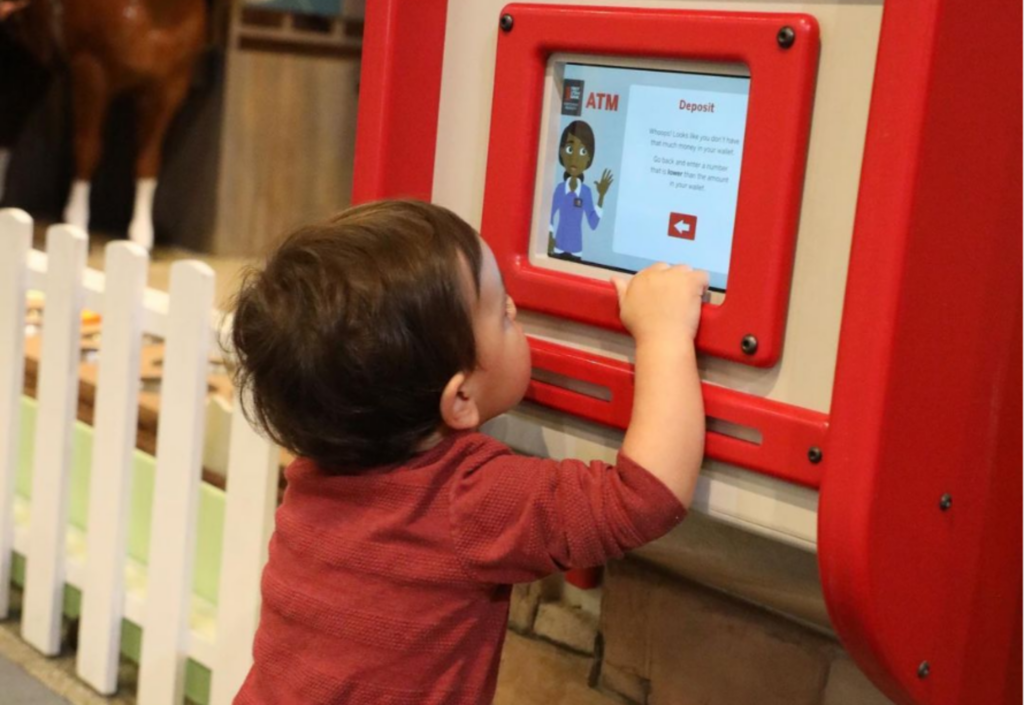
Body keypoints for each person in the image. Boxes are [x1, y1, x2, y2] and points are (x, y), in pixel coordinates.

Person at [229, 200, 707, 704]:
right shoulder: (467, 497)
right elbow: (644, 498)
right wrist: (665, 335)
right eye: (502, 314)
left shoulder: (313, 469)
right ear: (459, 398)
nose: (516, 311)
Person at [548, 120, 614, 261]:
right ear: (561, 152)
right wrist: (549, 236)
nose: (575, 158)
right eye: (570, 150)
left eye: (583, 151)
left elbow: (593, 223)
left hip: (577, 250)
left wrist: (601, 196)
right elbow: (549, 215)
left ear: (589, 158)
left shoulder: (586, 192)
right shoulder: (560, 189)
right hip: (557, 248)